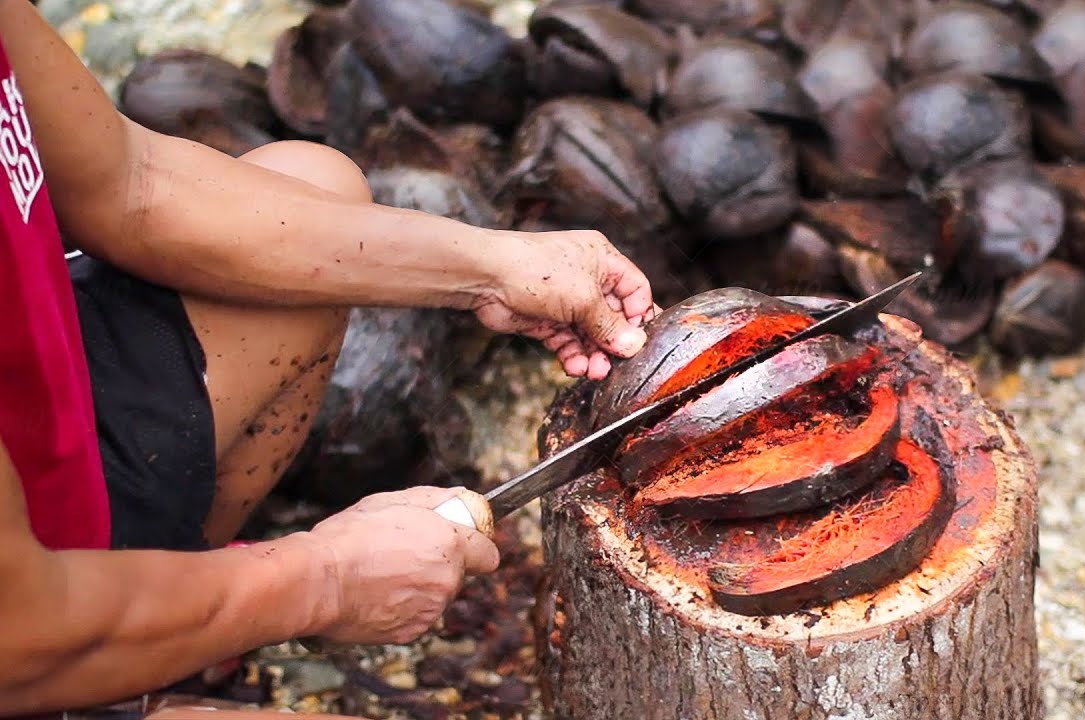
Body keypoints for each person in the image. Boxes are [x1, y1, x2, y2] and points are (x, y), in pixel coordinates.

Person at [0, 2, 657, 716]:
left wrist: (495, 265)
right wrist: (323, 581)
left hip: (39, 457)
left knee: (309, 184)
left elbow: (133, 182)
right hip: (26, 631)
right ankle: (107, 669)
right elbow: (17, 632)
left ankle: (158, 640)